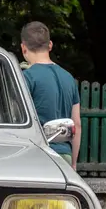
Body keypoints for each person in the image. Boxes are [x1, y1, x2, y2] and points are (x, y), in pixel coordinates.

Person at [20, 21, 81, 170]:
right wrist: (73, 163)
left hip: (38, 155)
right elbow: (76, 124)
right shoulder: (68, 78)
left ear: (23, 47)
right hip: (64, 156)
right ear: (50, 45)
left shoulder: (27, 78)